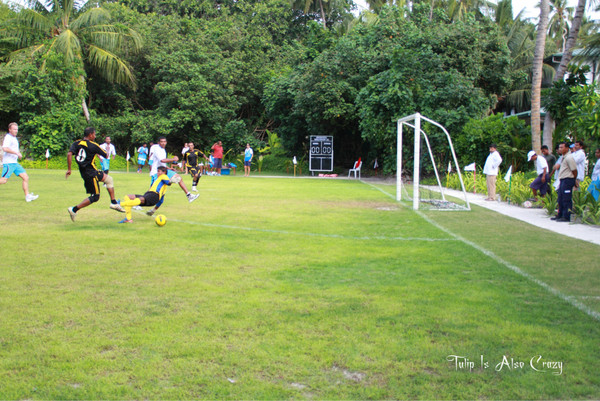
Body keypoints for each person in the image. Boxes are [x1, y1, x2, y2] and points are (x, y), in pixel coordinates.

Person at [66, 127, 125, 221]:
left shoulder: (76, 143)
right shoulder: (93, 145)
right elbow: (106, 155)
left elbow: (69, 154)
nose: (95, 136)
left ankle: (114, 203)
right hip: (91, 173)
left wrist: (69, 169)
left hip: (84, 172)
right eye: (94, 134)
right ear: (90, 135)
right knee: (95, 197)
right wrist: (106, 149)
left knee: (109, 179)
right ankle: (73, 209)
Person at [149, 136, 199, 203]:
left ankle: (189, 195)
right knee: (152, 190)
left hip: (164, 171)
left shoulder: (163, 150)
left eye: (164, 141)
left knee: (178, 178)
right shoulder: (157, 149)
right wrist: (173, 159)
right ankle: (139, 202)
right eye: (161, 142)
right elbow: (162, 160)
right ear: (158, 142)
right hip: (157, 172)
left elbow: (162, 163)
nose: (163, 143)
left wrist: (168, 168)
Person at [0, 122, 39, 202]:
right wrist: (16, 153)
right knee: (3, 180)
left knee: (25, 177)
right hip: (9, 163)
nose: (16, 131)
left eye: (17, 129)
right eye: (14, 129)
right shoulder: (8, 137)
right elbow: (5, 148)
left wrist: (18, 153)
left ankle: (27, 196)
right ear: (10, 129)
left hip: (15, 163)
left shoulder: (14, 138)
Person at [553, 142, 578, 222]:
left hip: (568, 179)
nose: (560, 149)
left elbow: (574, 170)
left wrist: (574, 179)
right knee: (560, 198)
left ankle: (566, 216)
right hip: (562, 179)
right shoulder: (563, 157)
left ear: (567, 148)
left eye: (562, 147)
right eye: (559, 147)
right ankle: (560, 214)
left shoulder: (569, 158)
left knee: (566, 198)